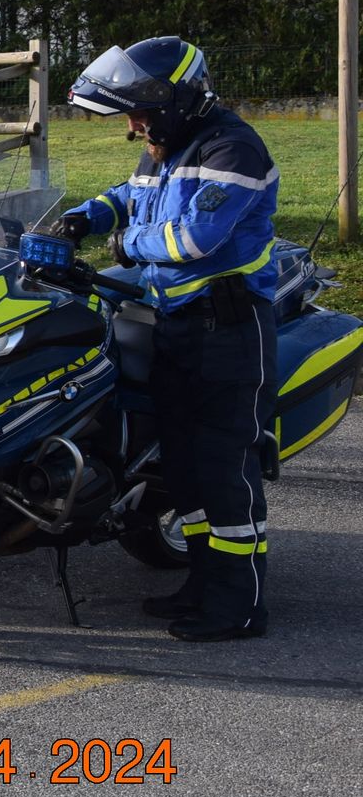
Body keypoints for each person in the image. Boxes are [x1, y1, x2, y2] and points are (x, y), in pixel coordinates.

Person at [58, 36, 278, 642]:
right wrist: (84, 217)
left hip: (228, 333)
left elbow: (193, 239)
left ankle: (240, 606)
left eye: (140, 112)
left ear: (176, 100)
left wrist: (126, 244)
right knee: (182, 470)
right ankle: (203, 586)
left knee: (224, 472)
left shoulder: (232, 150)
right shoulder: (166, 148)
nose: (133, 127)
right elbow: (131, 196)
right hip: (176, 328)